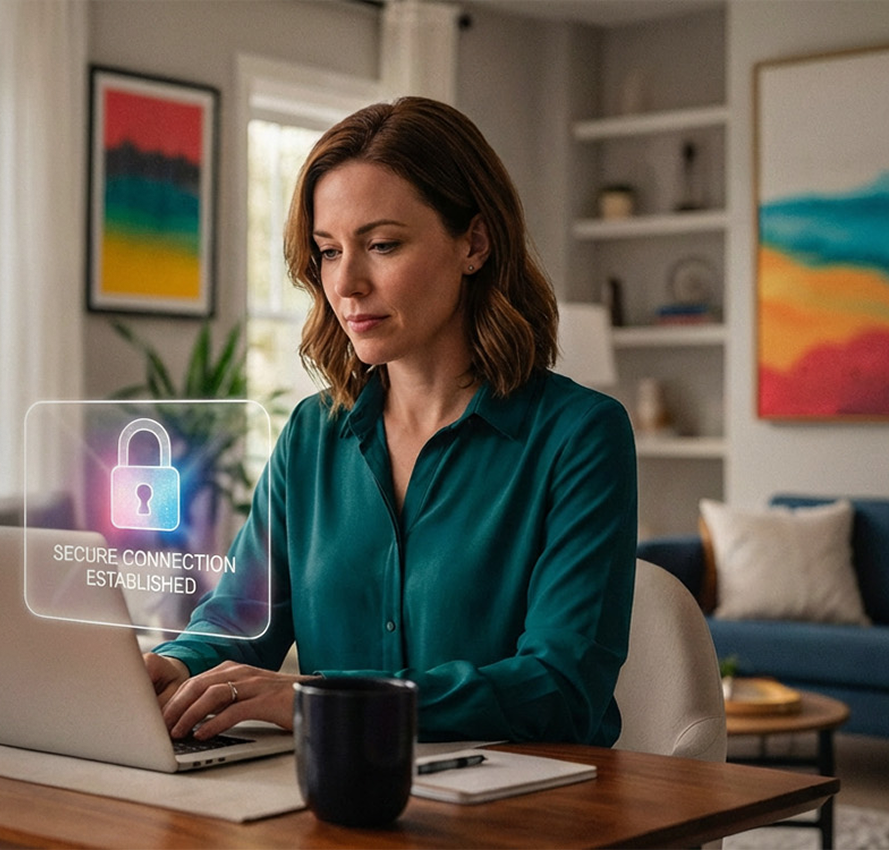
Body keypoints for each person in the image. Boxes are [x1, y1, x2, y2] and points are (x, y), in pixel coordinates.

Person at [144, 97, 637, 746]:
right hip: (342, 801)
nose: (346, 283)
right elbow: (243, 620)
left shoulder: (580, 436)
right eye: (327, 251)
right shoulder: (312, 435)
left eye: (381, 245)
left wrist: (329, 701)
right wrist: (171, 667)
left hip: (531, 814)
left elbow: (560, 687)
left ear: (474, 243)